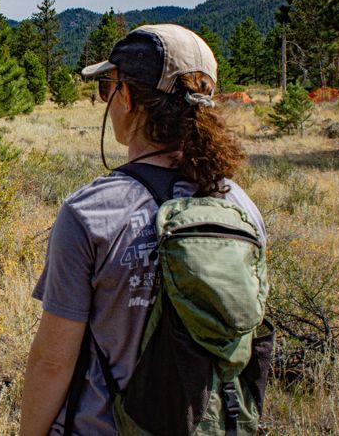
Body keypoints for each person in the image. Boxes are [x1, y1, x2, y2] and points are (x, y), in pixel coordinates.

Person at [19, 24, 266, 435]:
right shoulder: (241, 207)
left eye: (106, 88)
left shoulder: (90, 213)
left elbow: (53, 362)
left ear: (128, 97)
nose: (106, 100)